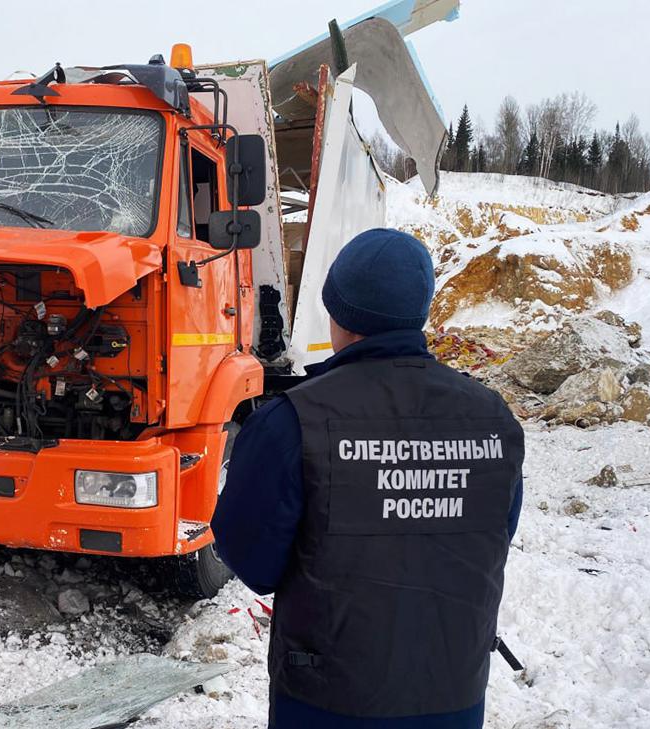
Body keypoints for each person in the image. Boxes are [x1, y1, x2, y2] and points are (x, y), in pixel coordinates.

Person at [212, 228, 524, 729]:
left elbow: (252, 562)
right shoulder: (493, 419)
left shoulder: (293, 422)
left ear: (337, 312)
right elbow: (491, 534)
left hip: (327, 702)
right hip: (454, 695)